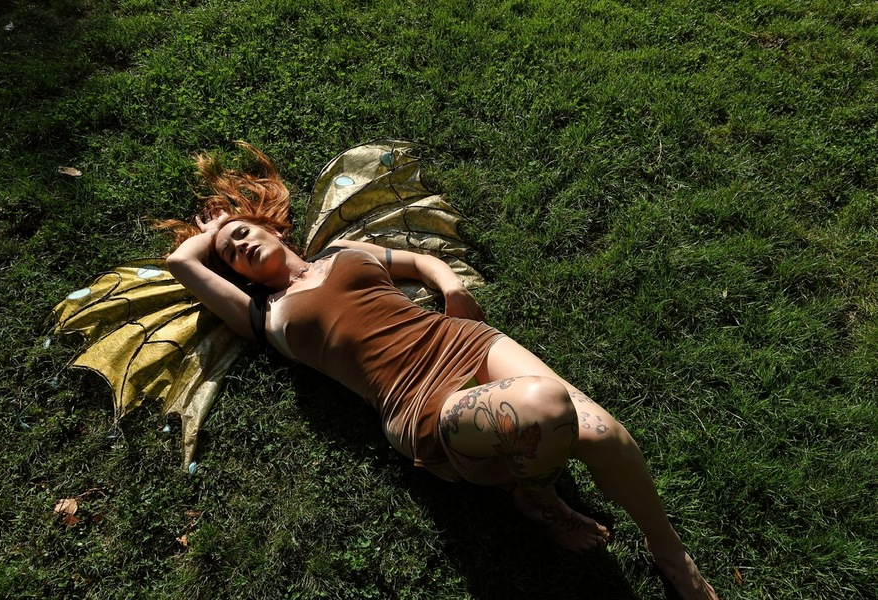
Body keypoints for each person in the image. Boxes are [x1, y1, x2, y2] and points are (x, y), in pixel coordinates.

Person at [160, 144, 718, 599]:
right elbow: (180, 263)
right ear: (235, 276)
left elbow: (421, 262)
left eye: (244, 231)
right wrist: (210, 235)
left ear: (275, 230)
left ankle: (670, 552)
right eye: (228, 252)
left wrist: (450, 287)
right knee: (546, 407)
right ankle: (540, 501)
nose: (238, 244)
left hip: (462, 341)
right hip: (416, 402)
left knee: (605, 434)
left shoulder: (344, 251)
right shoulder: (263, 316)